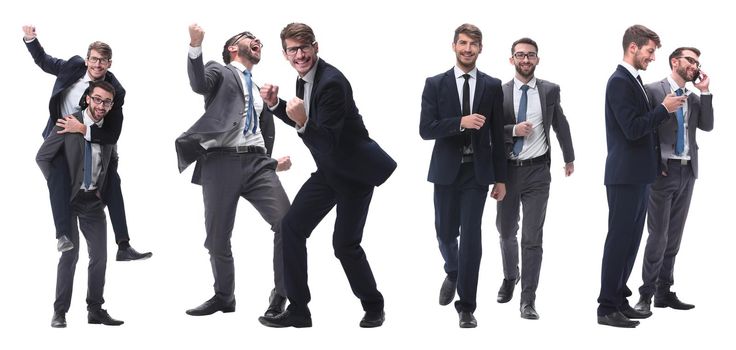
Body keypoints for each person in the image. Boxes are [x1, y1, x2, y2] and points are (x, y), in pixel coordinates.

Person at [257, 22, 397, 328]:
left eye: (304, 47)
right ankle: (299, 311)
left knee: (344, 245)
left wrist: (303, 119)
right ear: (285, 54)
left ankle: (374, 305)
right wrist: (274, 105)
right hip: (329, 171)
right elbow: (305, 120)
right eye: (293, 49)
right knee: (292, 228)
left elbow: (326, 140)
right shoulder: (304, 79)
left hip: (354, 173)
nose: (300, 54)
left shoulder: (332, 82)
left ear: (315, 47)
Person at [177, 24, 292, 319]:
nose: (257, 40)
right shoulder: (221, 71)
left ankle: (281, 294)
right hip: (220, 163)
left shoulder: (259, 88)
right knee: (217, 237)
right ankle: (224, 296)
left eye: (258, 39)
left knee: (288, 223)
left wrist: (270, 161)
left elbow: (261, 130)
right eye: (249, 37)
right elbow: (199, 83)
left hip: (257, 165)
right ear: (232, 48)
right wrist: (195, 45)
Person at [22, 25, 151, 261]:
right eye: (93, 59)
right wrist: (31, 40)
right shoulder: (72, 66)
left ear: (109, 63)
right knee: (59, 176)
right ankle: (63, 235)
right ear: (86, 60)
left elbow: (113, 134)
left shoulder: (116, 91)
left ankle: (123, 245)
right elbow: (44, 61)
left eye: (103, 61)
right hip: (61, 138)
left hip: (93, 138)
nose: (97, 65)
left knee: (113, 180)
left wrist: (82, 128)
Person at [419, 23, 507, 328]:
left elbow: (497, 134)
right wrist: (460, 122)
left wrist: (501, 178)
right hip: (445, 170)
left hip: (477, 173)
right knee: (445, 231)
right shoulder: (435, 84)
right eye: (463, 43)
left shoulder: (492, 85)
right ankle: (453, 270)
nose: (468, 48)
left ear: (480, 48)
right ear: (454, 46)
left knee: (471, 237)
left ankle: (467, 305)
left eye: (473, 44)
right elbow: (425, 129)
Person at [598, 24, 685, 328]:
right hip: (623, 176)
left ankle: (620, 301)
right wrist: (664, 108)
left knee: (632, 241)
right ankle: (606, 307)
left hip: (640, 175)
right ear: (632, 48)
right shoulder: (619, 82)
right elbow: (633, 128)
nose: (652, 57)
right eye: (649, 51)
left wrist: (655, 162)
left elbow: (642, 132)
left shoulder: (634, 81)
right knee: (619, 241)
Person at [495, 37, 575, 320]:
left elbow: (560, 124)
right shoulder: (498, 91)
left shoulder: (550, 90)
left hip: (538, 172)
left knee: (532, 237)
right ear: (512, 59)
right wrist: (513, 130)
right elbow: (491, 132)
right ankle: (510, 277)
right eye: (520, 55)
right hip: (507, 172)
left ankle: (528, 299)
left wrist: (569, 157)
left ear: (537, 59)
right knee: (506, 231)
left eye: (530, 55)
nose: (525, 60)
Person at [37, 81, 126, 328]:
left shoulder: (109, 131)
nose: (101, 105)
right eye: (97, 99)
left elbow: (111, 161)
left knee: (100, 257)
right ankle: (60, 312)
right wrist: (58, 183)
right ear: (87, 98)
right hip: (69, 200)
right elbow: (42, 157)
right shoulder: (68, 122)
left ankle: (95, 309)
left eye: (106, 102)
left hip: (93, 202)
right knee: (70, 255)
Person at [634, 47, 713, 313]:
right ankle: (645, 294)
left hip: (687, 171)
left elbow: (707, 125)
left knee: (674, 236)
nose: (694, 65)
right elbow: (644, 128)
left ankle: (663, 291)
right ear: (674, 61)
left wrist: (705, 91)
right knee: (658, 235)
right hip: (662, 172)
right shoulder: (653, 90)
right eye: (690, 60)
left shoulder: (692, 96)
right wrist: (654, 163)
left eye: (697, 62)